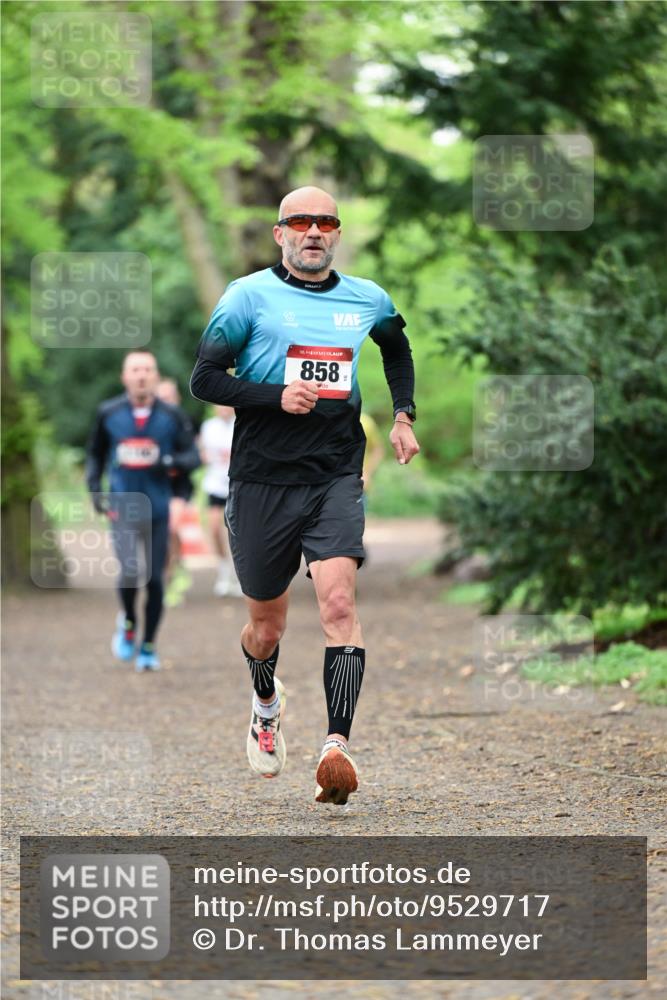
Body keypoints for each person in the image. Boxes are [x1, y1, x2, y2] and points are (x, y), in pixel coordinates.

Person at [190, 186, 419, 804]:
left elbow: (396, 348)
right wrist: (275, 396)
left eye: (324, 222)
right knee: (266, 628)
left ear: (337, 232)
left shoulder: (366, 298)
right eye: (300, 222)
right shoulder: (246, 297)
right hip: (261, 479)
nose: (313, 231)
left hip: (334, 474)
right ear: (280, 233)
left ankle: (336, 746)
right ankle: (266, 702)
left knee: (339, 605)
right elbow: (204, 379)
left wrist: (403, 415)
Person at [86, 351, 200, 671]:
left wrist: (167, 462)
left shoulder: (172, 416)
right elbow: (95, 455)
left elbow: (192, 457)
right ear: (124, 377)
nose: (141, 375)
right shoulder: (108, 413)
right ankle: (129, 623)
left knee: (154, 580)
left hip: (158, 508)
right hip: (123, 505)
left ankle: (148, 646)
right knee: (129, 571)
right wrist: (95, 489)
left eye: (147, 369)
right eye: (135, 370)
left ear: (155, 376)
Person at [156, 377, 196, 607]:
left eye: (169, 396)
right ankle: (177, 563)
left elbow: (194, 458)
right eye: (161, 397)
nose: (166, 401)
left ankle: (168, 579)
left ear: (177, 398)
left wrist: (170, 462)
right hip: (152, 487)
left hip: (178, 487)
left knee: (169, 527)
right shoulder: (147, 423)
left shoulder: (183, 422)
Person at [199, 405, 242, 597]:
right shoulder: (208, 426)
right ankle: (224, 570)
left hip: (237, 486)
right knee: (215, 528)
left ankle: (240, 575)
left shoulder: (241, 423)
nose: (224, 408)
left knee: (238, 534)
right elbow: (202, 453)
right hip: (215, 486)